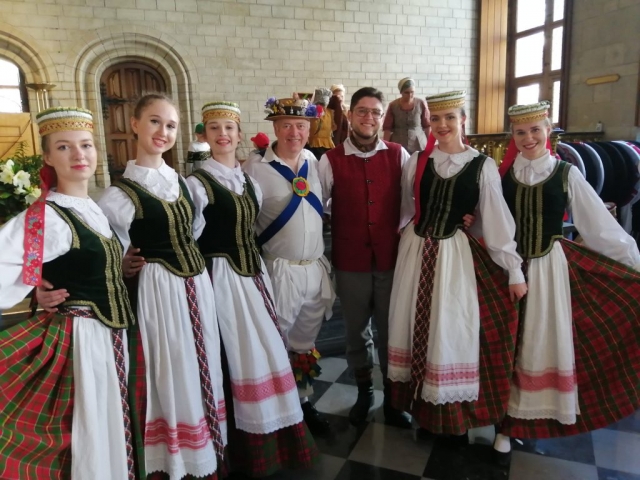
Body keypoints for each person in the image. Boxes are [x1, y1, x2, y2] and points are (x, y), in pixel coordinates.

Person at [493, 101, 640, 464]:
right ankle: (505, 422)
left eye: (535, 130)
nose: (528, 138)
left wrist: (632, 262)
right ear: (513, 136)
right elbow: (493, 223)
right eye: (521, 132)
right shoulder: (505, 176)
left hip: (548, 269)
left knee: (540, 340)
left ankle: (535, 416)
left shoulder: (565, 173)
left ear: (548, 130)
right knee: (508, 344)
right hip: (509, 270)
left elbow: (598, 226)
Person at [0, 107, 137, 479]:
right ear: (47, 156)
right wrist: (30, 291)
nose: (79, 155)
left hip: (112, 336)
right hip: (83, 338)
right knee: (91, 429)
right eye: (64, 147)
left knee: (109, 425)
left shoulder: (92, 207)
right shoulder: (45, 215)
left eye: (86, 145)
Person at [186, 101, 319, 477]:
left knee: (266, 350)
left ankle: (276, 432)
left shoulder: (248, 179)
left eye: (229, 128)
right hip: (218, 278)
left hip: (254, 275)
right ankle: (234, 443)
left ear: (239, 134)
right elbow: (186, 234)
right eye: (214, 129)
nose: (223, 135)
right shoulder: (196, 184)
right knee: (230, 353)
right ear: (204, 136)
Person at [98, 93, 226, 479]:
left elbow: (195, 231)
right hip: (158, 292)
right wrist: (121, 264)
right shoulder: (119, 195)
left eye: (170, 125)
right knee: (170, 367)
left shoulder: (187, 185)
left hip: (197, 287)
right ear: (134, 124)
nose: (163, 131)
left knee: (202, 361)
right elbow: (110, 250)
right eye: (154, 122)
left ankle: (206, 447)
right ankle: (176, 460)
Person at [386, 90, 527, 439]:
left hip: (454, 258)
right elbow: (407, 208)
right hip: (416, 252)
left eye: (451, 118)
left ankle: (449, 417)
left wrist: (513, 269)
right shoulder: (417, 161)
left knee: (449, 330)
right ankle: (420, 408)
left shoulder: (483, 166)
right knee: (414, 324)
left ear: (463, 120)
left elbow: (494, 221)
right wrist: (405, 237)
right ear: (428, 122)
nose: (443, 125)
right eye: (436, 119)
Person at [318, 87, 412, 428]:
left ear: (382, 116)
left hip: (390, 259)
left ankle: (392, 398)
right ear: (351, 115)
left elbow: (410, 204)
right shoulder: (329, 160)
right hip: (350, 259)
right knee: (356, 332)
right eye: (362, 110)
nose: (368, 117)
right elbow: (319, 207)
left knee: (391, 332)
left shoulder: (399, 155)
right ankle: (363, 393)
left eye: (375, 111)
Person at [243, 96, 336, 436]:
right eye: (286, 126)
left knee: (304, 342)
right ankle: (275, 410)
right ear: (275, 128)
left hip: (315, 268)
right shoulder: (255, 168)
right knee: (275, 342)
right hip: (279, 271)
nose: (294, 132)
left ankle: (302, 400)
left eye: (300, 126)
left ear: (309, 129)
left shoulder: (314, 161)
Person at [382, 77, 430, 154]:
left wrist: (429, 145)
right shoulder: (393, 105)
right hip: (398, 143)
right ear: (401, 92)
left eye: (412, 92)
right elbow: (387, 128)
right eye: (406, 92)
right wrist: (385, 147)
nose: (410, 95)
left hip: (419, 144)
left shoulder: (420, 103)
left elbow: (427, 126)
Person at [307, 87, 336, 160]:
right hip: (313, 146)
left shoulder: (330, 113)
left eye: (324, 104)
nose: (322, 106)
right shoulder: (311, 112)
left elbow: (334, 127)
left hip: (328, 146)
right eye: (320, 103)